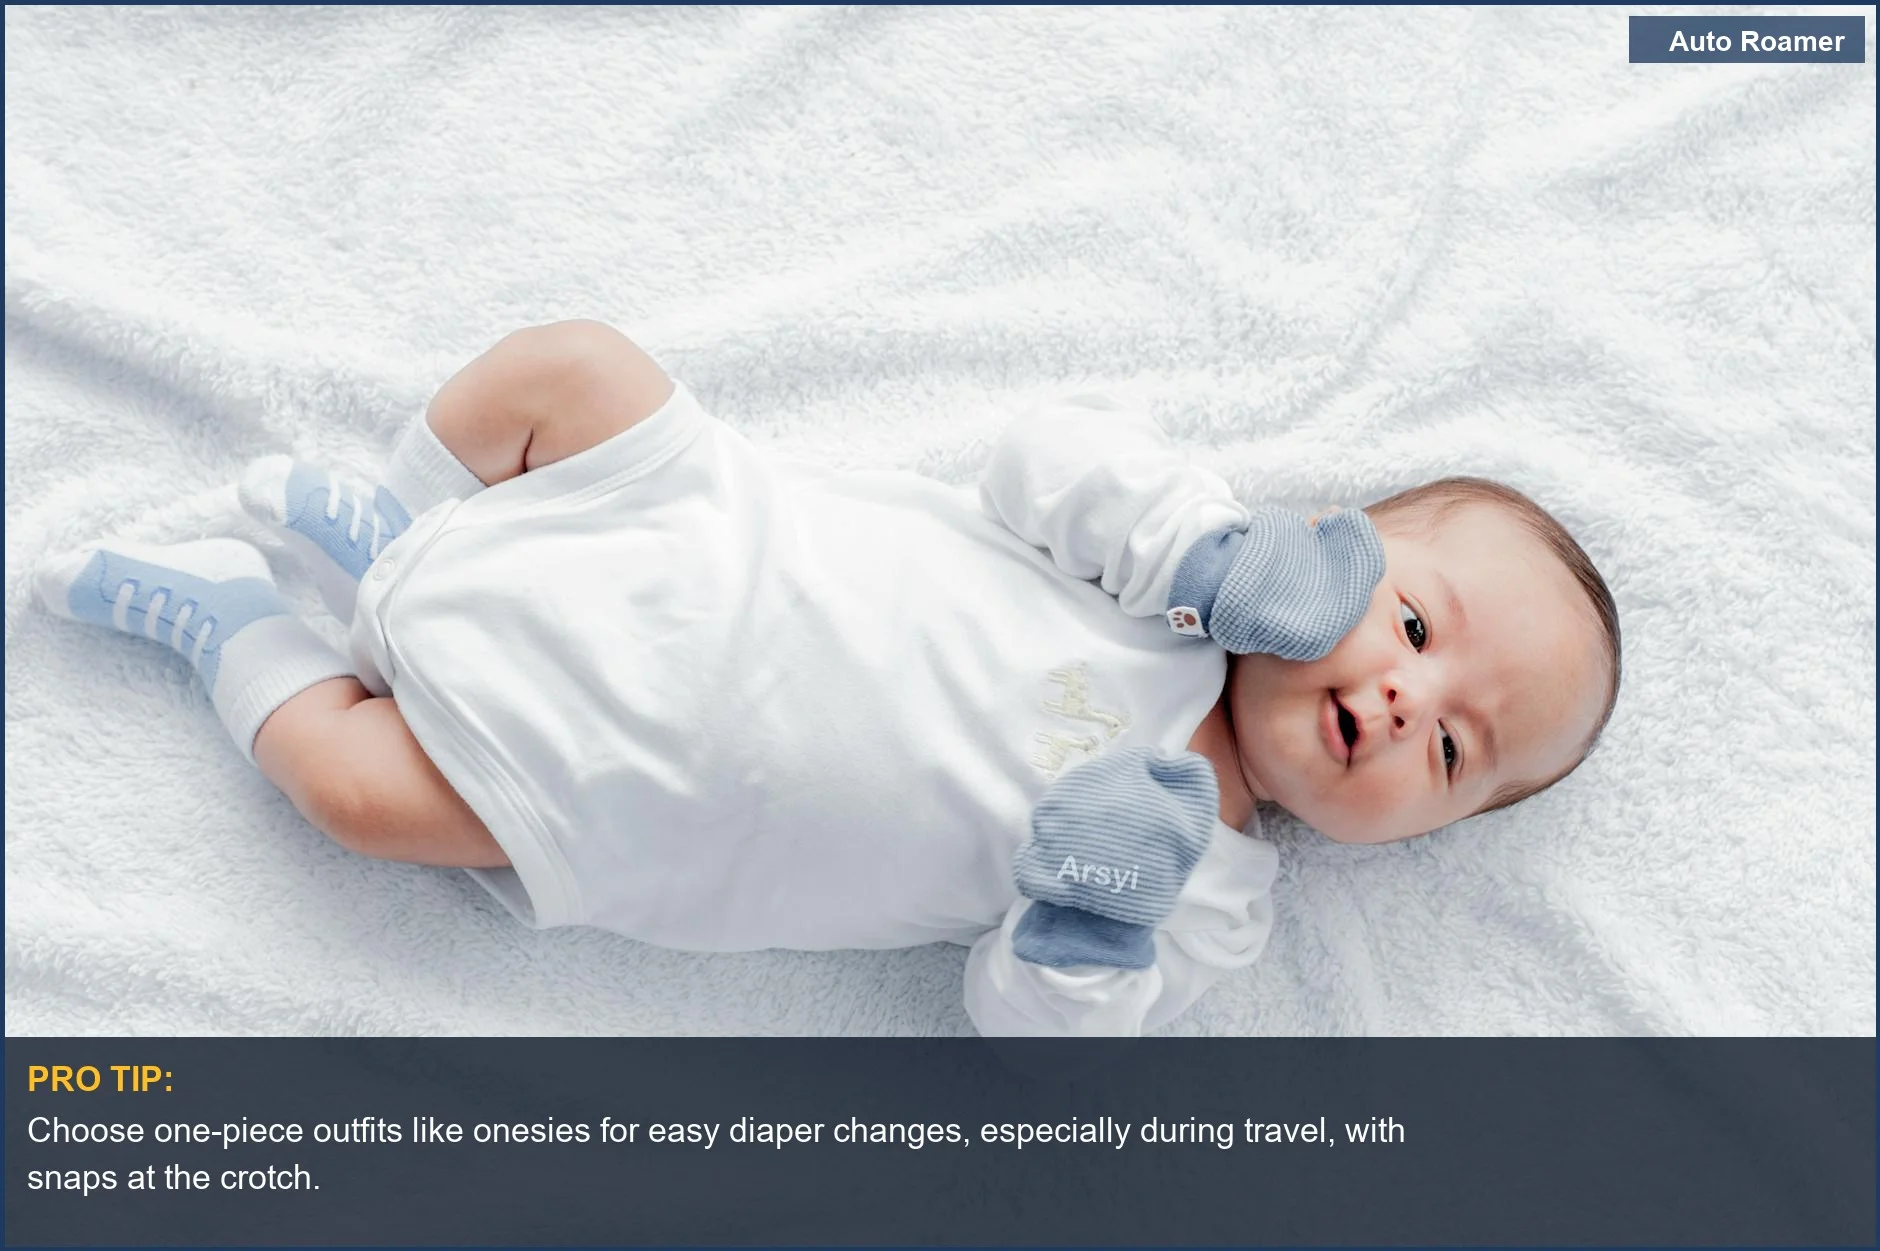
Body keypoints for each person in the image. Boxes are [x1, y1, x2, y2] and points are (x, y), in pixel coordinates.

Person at [36, 320, 1621, 1035]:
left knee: (359, 796)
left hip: (639, 805)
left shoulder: (1204, 887)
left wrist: (1081, 925)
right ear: (1333, 546)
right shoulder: (1164, 573)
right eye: (1416, 627)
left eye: (1462, 753)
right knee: (565, 368)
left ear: (1420, 831)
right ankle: (405, 548)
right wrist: (1212, 555)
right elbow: (1036, 453)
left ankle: (241, 616)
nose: (1415, 703)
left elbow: (1037, 1036)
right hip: (701, 548)